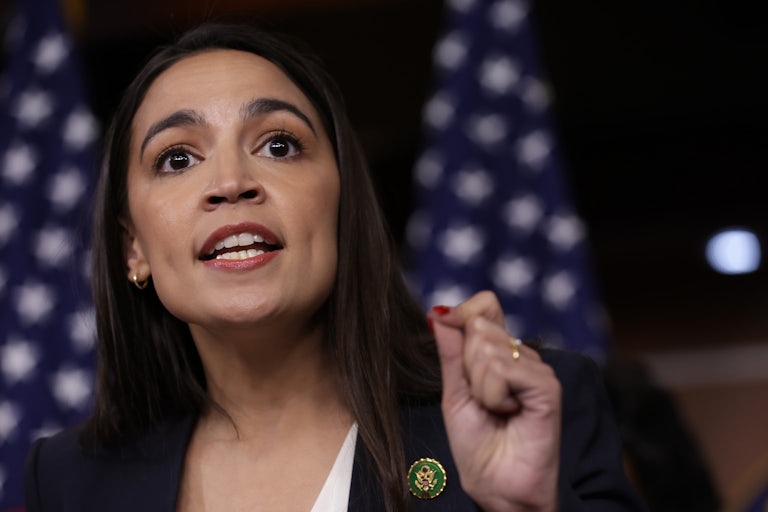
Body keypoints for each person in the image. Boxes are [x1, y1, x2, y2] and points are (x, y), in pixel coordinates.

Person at [23, 23, 647, 511]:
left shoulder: (530, 409)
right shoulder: (71, 481)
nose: (232, 182)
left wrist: (528, 509)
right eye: (178, 159)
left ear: (343, 205)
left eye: (278, 145)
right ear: (132, 248)